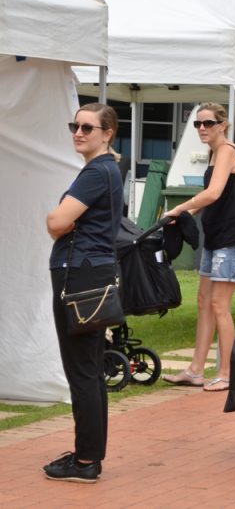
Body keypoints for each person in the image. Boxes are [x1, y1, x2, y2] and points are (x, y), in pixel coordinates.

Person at [43, 103, 124, 483]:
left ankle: (87, 460)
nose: (78, 133)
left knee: (82, 370)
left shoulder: (96, 172)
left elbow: (56, 220)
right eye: (74, 125)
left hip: (79, 275)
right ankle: (88, 455)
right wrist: (64, 224)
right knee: (88, 368)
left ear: (107, 134)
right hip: (89, 274)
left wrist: (60, 221)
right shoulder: (106, 169)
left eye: (88, 128)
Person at [163, 102, 235, 391]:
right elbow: (212, 196)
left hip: (232, 240)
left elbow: (213, 193)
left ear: (223, 125)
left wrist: (180, 208)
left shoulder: (226, 151)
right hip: (215, 237)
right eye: (197, 124)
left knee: (219, 305)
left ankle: (227, 373)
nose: (202, 128)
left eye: (208, 123)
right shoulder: (214, 153)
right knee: (204, 301)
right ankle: (195, 370)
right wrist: (186, 214)